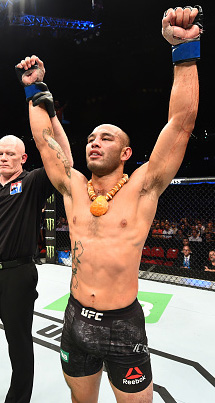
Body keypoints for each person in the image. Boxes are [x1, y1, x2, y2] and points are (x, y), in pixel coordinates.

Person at [20, 5, 202, 402]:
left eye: (105, 137)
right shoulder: (73, 187)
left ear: (125, 152)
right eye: (89, 138)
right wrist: (35, 88)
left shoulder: (143, 186)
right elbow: (43, 141)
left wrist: (185, 52)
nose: (94, 141)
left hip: (124, 325)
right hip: (73, 319)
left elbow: (181, 124)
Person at [0, 59, 73, 403]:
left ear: (23, 157)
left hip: (16, 272)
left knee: (18, 344)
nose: (3, 158)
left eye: (10, 153)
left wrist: (35, 92)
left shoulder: (30, 183)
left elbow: (63, 162)